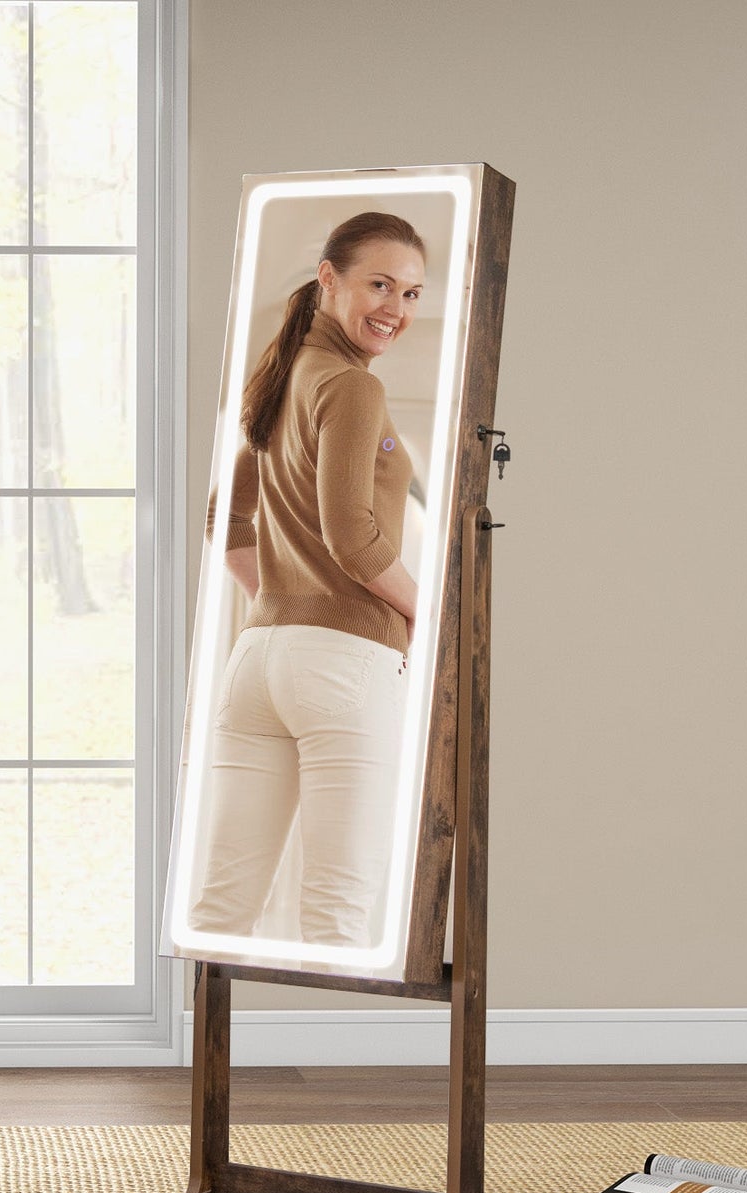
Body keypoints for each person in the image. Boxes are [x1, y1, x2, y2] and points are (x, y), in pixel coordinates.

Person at [188, 211, 426, 949]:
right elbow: (353, 535)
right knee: (338, 910)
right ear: (329, 278)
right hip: (345, 669)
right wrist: (432, 616)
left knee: (223, 906)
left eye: (412, 293)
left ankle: (205, 1062)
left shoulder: (284, 376)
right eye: (379, 283)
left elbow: (224, 525)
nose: (395, 308)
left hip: (258, 664)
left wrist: (281, 596)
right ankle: (339, 1061)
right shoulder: (351, 388)